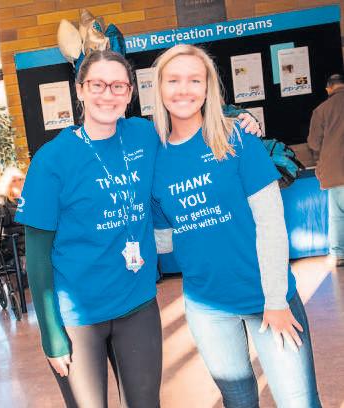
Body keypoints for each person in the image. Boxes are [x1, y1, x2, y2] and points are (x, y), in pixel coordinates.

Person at [15, 49, 261, 408]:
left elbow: (189, 116)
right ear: (80, 89)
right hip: (78, 316)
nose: (108, 94)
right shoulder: (51, 160)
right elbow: (37, 257)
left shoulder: (144, 135)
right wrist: (51, 333)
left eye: (118, 86)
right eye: (97, 85)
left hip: (137, 304)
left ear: (130, 93)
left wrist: (237, 116)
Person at [151, 44, 321, 407]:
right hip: (208, 308)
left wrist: (275, 300)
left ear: (208, 88)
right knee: (239, 402)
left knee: (298, 402)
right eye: (173, 80)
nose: (183, 90)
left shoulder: (238, 139)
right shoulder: (154, 159)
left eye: (195, 80)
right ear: (159, 87)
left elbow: (271, 222)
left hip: (267, 297)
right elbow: (163, 242)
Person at [308, 73, 344, 268]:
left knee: (337, 216)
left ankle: (338, 255)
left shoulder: (321, 110)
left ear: (329, 88)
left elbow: (314, 143)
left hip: (335, 171)